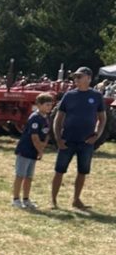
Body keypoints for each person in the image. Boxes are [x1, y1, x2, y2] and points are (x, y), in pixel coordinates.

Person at [50, 66, 106, 210]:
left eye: (79, 77)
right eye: (75, 77)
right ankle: (54, 200)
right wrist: (58, 138)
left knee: (82, 171)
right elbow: (58, 118)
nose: (76, 80)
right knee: (59, 171)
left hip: (86, 142)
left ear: (89, 78)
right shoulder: (69, 95)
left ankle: (76, 200)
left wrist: (97, 135)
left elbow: (102, 118)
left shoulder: (96, 96)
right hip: (67, 140)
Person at [12, 94, 54, 210]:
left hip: (34, 151)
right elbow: (34, 137)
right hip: (26, 150)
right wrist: (40, 150)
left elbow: (46, 134)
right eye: (47, 105)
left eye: (51, 105)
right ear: (39, 105)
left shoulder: (46, 117)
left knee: (29, 176)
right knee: (20, 175)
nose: (49, 107)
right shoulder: (35, 118)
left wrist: (44, 145)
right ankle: (16, 199)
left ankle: (26, 199)